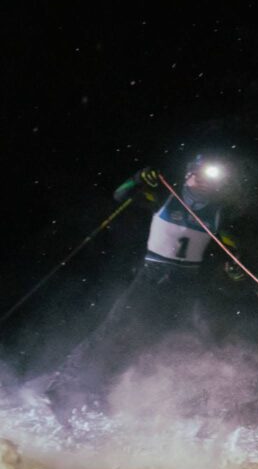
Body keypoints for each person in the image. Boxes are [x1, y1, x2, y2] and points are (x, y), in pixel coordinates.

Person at [45, 155, 239, 418]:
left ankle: (112, 389)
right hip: (150, 277)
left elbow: (231, 250)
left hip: (184, 284)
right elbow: (120, 196)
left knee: (158, 338)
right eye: (197, 176)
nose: (201, 183)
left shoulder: (218, 213)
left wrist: (233, 269)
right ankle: (61, 384)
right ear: (187, 176)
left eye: (208, 180)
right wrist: (137, 179)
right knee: (111, 329)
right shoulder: (165, 197)